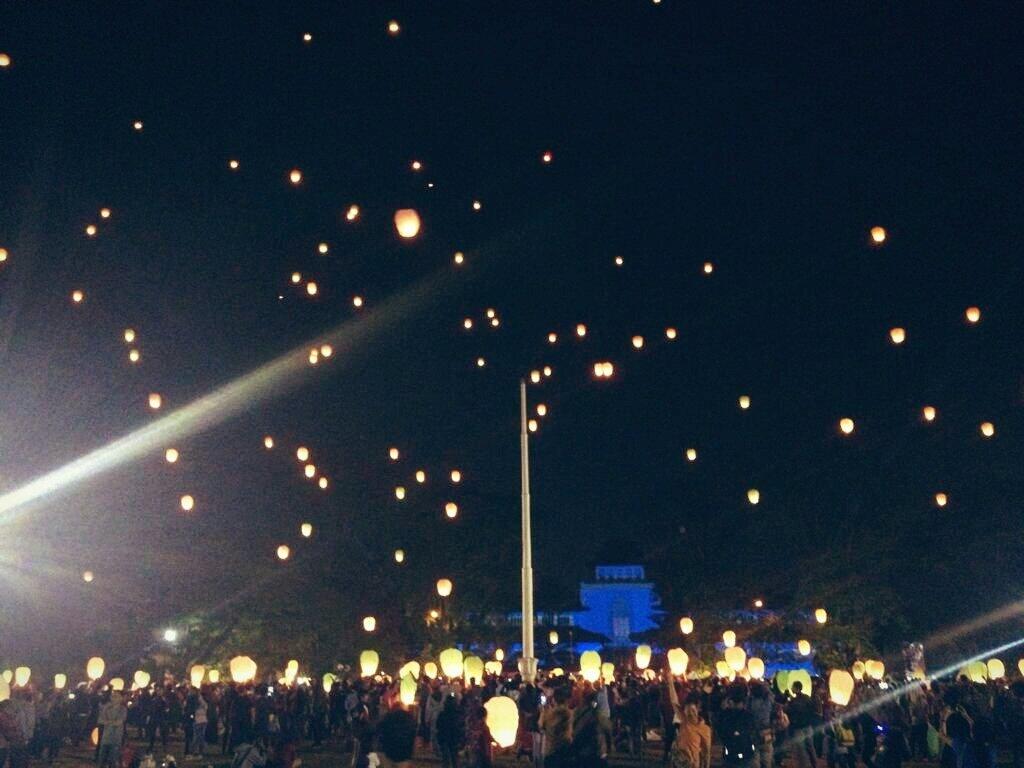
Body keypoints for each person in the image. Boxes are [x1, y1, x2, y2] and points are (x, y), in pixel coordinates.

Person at [572, 690, 610, 768]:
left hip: (580, 750)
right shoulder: (598, 715)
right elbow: (607, 730)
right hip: (595, 751)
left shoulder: (576, 713)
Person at [539, 687, 573, 768]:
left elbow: (541, 726)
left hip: (551, 750)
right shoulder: (570, 713)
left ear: (554, 699)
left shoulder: (550, 714)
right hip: (565, 749)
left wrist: (542, 713)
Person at [786, 681, 817, 768]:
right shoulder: (806, 698)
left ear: (797, 688)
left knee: (801, 750)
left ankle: (806, 765)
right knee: (810, 747)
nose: (792, 689)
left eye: (793, 687)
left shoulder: (795, 701)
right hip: (807, 725)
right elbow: (812, 710)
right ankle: (814, 764)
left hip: (799, 727)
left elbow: (790, 710)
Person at [97, 692, 128, 768]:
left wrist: (108, 722)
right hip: (106, 736)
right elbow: (100, 720)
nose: (114, 698)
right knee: (101, 758)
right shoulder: (107, 708)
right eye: (113, 696)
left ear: (120, 698)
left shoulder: (123, 709)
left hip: (116, 736)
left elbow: (119, 722)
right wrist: (110, 722)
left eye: (116, 697)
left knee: (113, 759)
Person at [435, 695, 462, 768]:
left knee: (446, 758)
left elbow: (438, 725)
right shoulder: (457, 714)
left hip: (445, 738)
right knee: (454, 758)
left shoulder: (443, 714)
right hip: (452, 738)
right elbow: (459, 727)